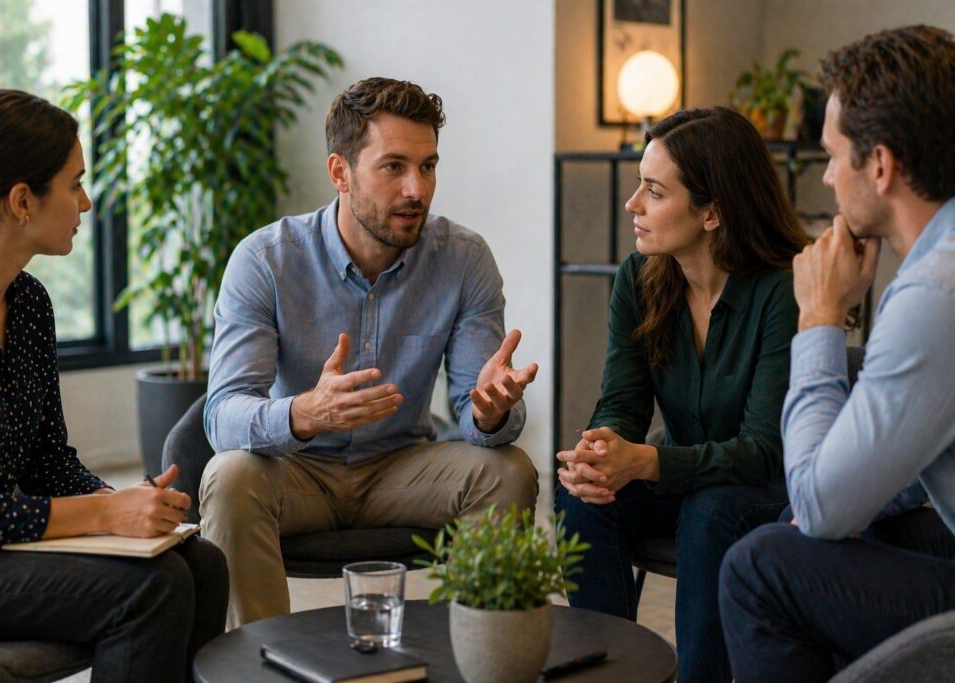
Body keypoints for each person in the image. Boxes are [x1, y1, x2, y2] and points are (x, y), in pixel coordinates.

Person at [200, 77, 539, 628]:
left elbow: (478, 414)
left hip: (402, 467)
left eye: (428, 166)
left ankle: (480, 653)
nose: (417, 189)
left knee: (508, 471)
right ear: (340, 172)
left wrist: (489, 410)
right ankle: (257, 661)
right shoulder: (264, 259)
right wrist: (305, 413)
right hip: (297, 470)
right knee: (231, 475)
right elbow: (222, 415)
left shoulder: (464, 259)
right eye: (394, 167)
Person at [0, 90, 228, 683]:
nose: (86, 202)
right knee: (152, 589)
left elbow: (47, 458)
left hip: (1, 543)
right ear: (21, 201)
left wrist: (133, 505)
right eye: (74, 184)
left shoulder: (31, 303)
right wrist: (102, 512)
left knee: (202, 564)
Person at [719, 25, 955, 683]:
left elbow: (822, 505)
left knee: (759, 567)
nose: (824, 176)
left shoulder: (937, 291)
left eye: (832, 155)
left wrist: (821, 318)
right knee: (833, 525)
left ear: (880, 166)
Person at [555, 107, 809, 683]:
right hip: (683, 473)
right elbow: (622, 400)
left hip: (772, 486)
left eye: (653, 191)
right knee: (580, 497)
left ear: (712, 212)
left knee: (711, 510)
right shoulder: (639, 278)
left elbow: (765, 448)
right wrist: (602, 450)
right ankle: (607, 674)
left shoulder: (784, 289)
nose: (633, 205)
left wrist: (644, 461)